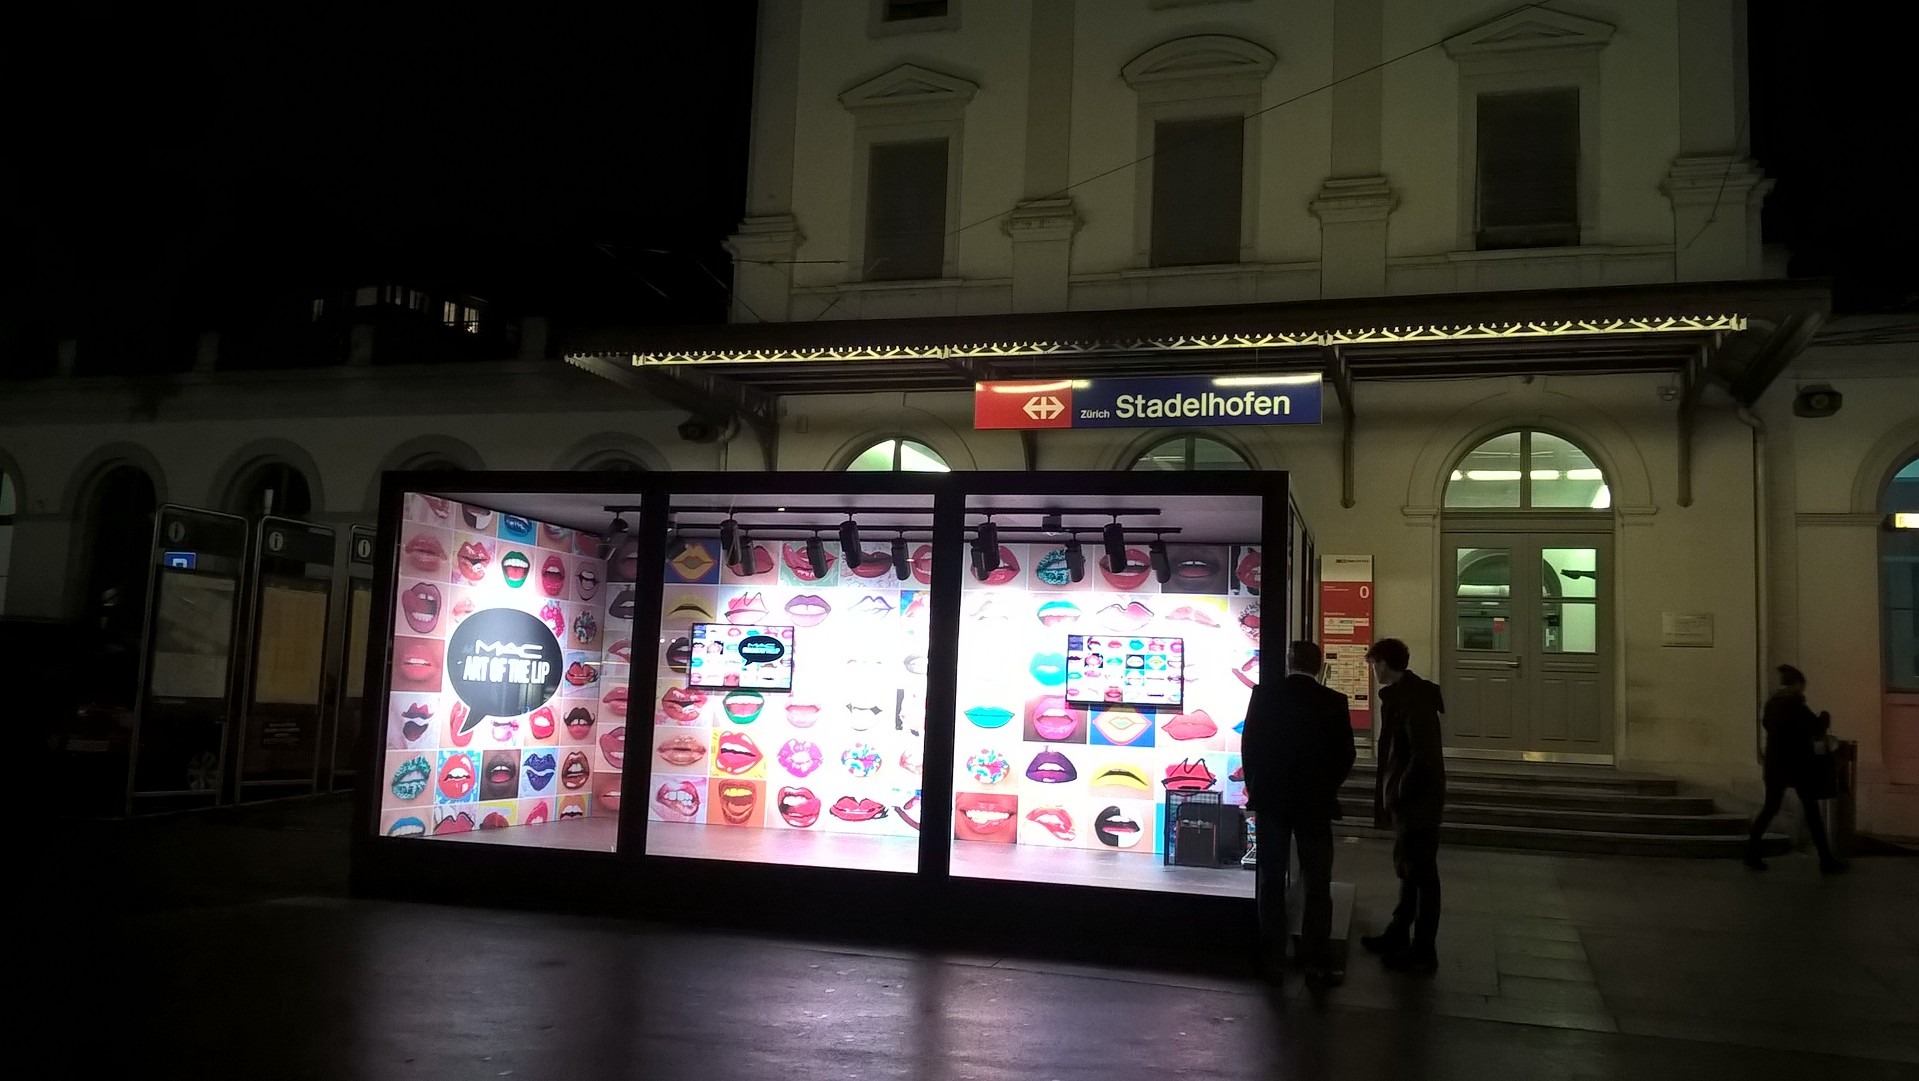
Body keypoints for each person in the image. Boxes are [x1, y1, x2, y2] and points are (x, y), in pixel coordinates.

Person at [1240, 640, 1357, 986]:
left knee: (1272, 880)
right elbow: (1346, 753)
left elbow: (1250, 747)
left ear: (1289, 662)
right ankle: (1315, 960)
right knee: (1317, 882)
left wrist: (1256, 787)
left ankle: (1272, 958)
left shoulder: (1264, 696)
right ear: (1319, 665)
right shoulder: (1334, 702)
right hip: (1315, 803)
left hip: (1273, 800)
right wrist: (1327, 786)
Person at [1358, 638, 1446, 975]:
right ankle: (1399, 934)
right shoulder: (1405, 696)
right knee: (1410, 871)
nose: (1373, 671)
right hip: (1413, 801)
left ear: (1383, 663)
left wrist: (1397, 792)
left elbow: (1421, 756)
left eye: (1374, 664)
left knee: (1422, 876)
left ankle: (1423, 950)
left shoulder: (1412, 699)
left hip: (1417, 802)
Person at [1746, 664, 1844, 873]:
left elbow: (1768, 726)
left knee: (1770, 807)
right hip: (1797, 766)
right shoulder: (1794, 704)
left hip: (1774, 765)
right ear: (1797, 684)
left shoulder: (1772, 704)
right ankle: (1826, 860)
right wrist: (1825, 716)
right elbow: (1816, 728)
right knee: (1811, 811)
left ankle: (1752, 852)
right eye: (1802, 685)